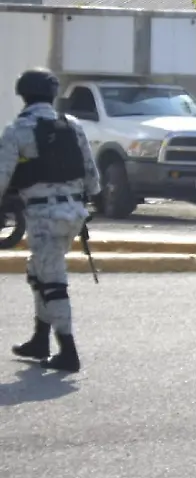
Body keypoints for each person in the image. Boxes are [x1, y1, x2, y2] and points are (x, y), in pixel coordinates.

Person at [1, 67, 101, 373]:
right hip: (72, 214)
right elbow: (92, 179)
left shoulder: (17, 130)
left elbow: (2, 176)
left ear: (23, 94)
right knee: (38, 270)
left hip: (43, 215)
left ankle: (68, 351)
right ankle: (40, 339)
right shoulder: (72, 125)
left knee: (53, 280)